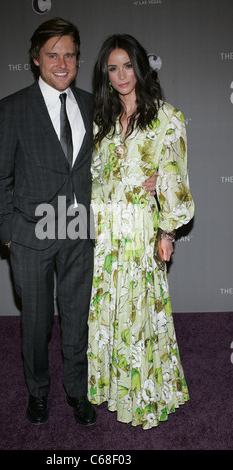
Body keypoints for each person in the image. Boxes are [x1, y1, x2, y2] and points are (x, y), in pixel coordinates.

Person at [0, 18, 156, 427]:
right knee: (37, 323)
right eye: (52, 54)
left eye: (69, 55)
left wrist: (151, 177)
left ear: (78, 60)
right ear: (35, 59)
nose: (61, 63)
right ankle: (38, 392)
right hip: (32, 233)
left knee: (78, 317)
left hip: (80, 229)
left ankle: (77, 392)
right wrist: (8, 234)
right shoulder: (13, 107)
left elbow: (122, 148)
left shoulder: (93, 103)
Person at [87, 34, 195, 429]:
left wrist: (167, 233)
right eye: (112, 68)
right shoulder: (100, 120)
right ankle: (116, 391)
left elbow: (177, 178)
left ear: (140, 67)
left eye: (127, 65)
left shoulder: (168, 117)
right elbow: (93, 178)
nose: (121, 75)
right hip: (105, 237)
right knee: (110, 312)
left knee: (140, 315)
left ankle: (145, 396)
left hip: (142, 232)